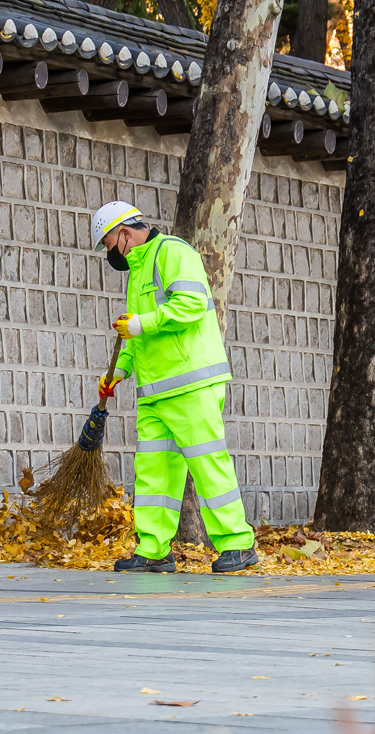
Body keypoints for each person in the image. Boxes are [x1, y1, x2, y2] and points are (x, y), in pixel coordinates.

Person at [93, 201, 258, 574]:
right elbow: (136, 338)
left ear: (124, 234)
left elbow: (193, 304)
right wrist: (118, 373)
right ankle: (153, 549)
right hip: (155, 391)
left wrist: (142, 323)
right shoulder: (137, 274)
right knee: (153, 473)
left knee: (206, 464)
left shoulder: (173, 253)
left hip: (191, 384)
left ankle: (237, 544)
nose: (109, 254)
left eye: (108, 244)